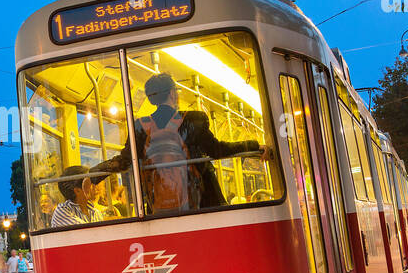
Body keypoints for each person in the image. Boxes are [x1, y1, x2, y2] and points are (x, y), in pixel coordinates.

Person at [89, 72, 273, 214]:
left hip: (160, 208)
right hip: (201, 204)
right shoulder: (193, 120)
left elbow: (125, 161)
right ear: (171, 93)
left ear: (151, 98)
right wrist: (255, 146)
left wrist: (92, 175)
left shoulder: (140, 127)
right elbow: (217, 150)